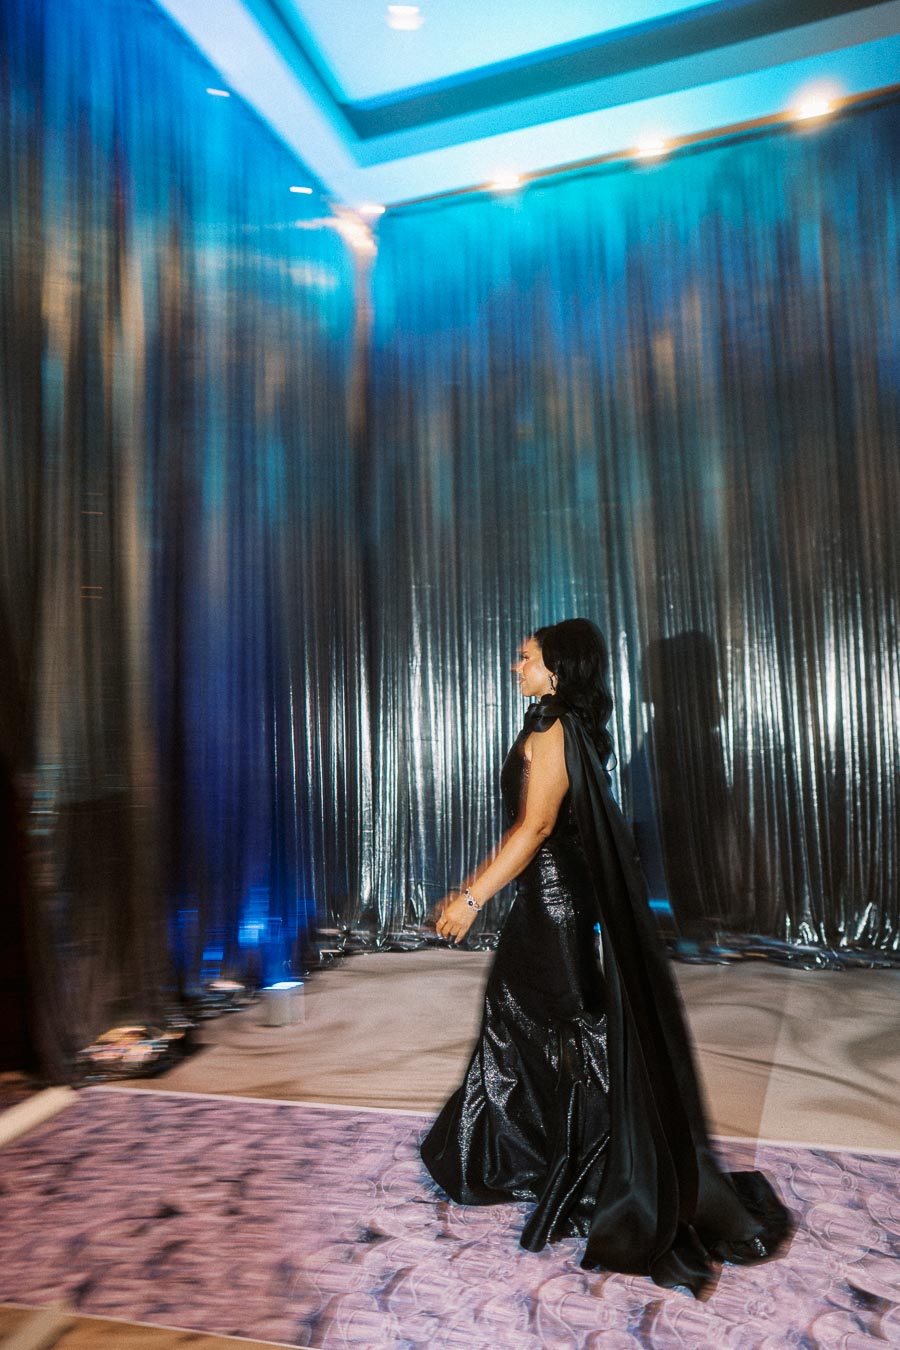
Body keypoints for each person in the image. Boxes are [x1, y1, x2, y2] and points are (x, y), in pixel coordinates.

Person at [421, 618, 790, 1295]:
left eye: (525, 657)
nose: (516, 666)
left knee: (566, 1037)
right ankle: (539, 1159)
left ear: (558, 670)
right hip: (556, 904)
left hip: (552, 908)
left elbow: (534, 828)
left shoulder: (552, 731)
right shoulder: (568, 727)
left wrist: (470, 899)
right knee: (526, 1026)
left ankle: (606, 1176)